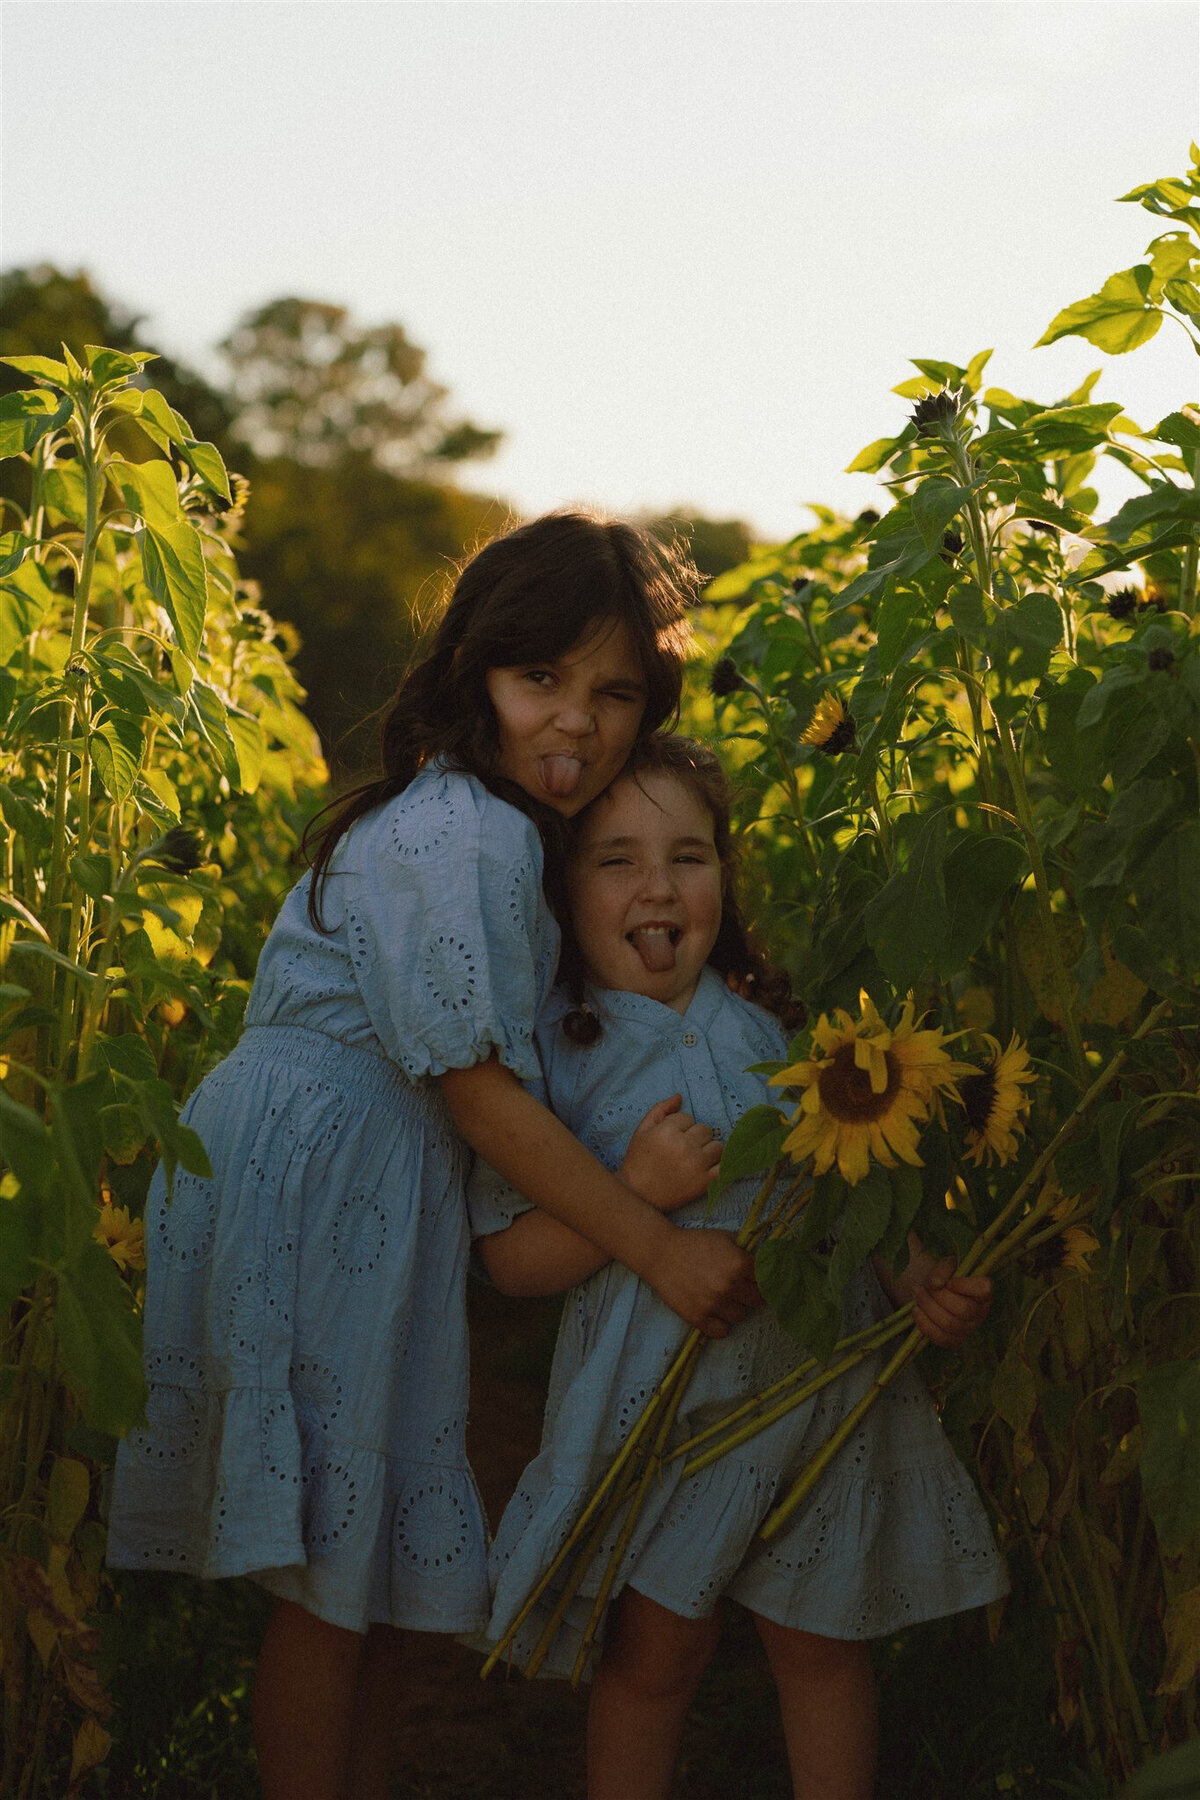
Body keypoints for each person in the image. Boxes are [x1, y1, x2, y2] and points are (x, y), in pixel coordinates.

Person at [107, 516, 762, 1800]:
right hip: (322, 1180)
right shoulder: (468, 831)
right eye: (541, 681)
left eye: (615, 692)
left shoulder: (496, 830)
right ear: (474, 677)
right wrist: (659, 1248)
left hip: (353, 1179)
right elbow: (478, 1097)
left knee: (368, 1581)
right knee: (328, 1584)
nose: (577, 722)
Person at [470, 734, 1009, 1800]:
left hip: (823, 1387)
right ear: (561, 887)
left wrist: (914, 1280)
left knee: (822, 1645)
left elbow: (846, 1190)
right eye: (615, 859)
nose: (658, 886)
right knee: (656, 1659)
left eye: (690, 856)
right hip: (668, 1417)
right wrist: (636, 1193)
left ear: (726, 872)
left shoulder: (776, 1030)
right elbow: (511, 1263)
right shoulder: (553, 1054)